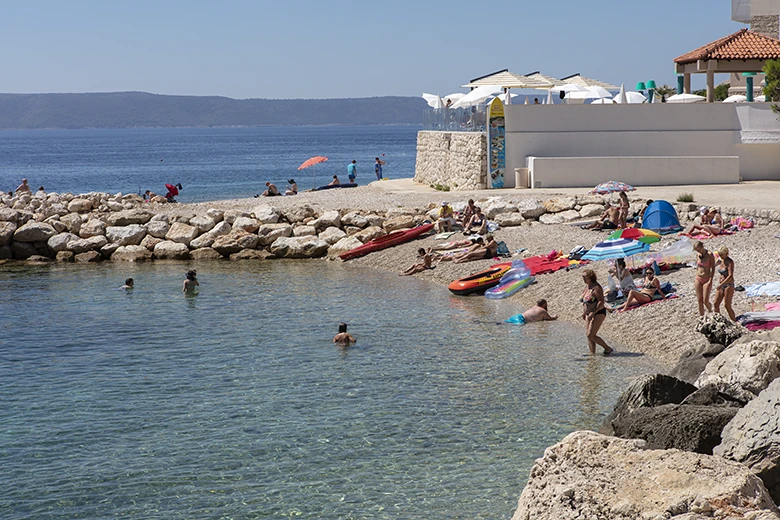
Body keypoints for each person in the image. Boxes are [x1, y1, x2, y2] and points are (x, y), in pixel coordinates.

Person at [581, 269, 613, 355]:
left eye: (585, 277)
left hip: (598, 312)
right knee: (589, 336)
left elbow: (601, 302)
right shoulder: (587, 287)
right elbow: (585, 302)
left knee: (590, 334)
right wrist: (584, 312)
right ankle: (592, 355)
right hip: (588, 313)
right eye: (582, 277)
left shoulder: (596, 287)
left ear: (591, 277)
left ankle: (608, 348)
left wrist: (593, 312)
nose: (583, 279)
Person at [714, 246, 736, 321]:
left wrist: (721, 284)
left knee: (727, 305)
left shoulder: (730, 262)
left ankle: (734, 321)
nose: (721, 256)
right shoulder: (720, 261)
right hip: (721, 285)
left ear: (726, 253)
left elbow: (730, 275)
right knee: (716, 304)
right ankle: (718, 321)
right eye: (720, 255)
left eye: (722, 255)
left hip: (728, 285)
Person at [693, 240, 714, 316]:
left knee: (705, 300)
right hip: (698, 277)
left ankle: (710, 309)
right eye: (697, 250)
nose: (698, 251)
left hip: (707, 278)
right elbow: (698, 266)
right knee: (699, 300)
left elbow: (713, 268)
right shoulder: (698, 255)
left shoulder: (709, 254)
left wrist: (711, 280)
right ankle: (701, 316)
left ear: (702, 247)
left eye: (698, 249)